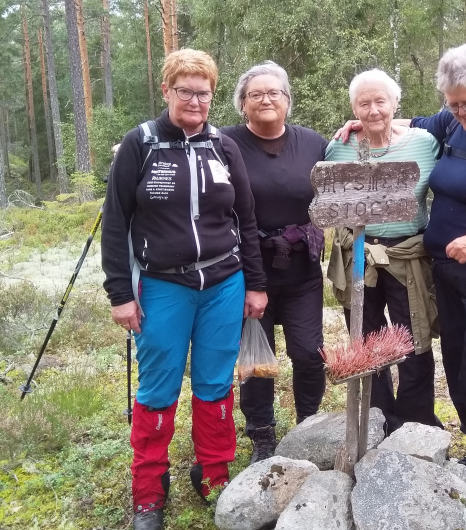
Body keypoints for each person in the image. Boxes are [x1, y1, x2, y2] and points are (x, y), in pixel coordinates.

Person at [336, 44, 466, 508]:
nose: (461, 112)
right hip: (450, 271)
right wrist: (365, 122)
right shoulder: (451, 122)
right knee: (456, 357)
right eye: (453, 104)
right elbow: (401, 124)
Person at [101, 49, 267, 530]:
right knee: (158, 387)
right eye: (185, 91)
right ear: (167, 91)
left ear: (213, 96)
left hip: (223, 282)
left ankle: (212, 472)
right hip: (161, 284)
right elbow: (116, 224)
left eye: (203, 92)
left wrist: (255, 284)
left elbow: (247, 220)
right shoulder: (141, 144)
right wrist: (119, 294)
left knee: (215, 382)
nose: (195, 100)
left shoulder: (223, 146)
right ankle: (149, 492)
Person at [220, 61, 328, 463]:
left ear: (287, 101)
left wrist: (357, 127)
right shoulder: (224, 143)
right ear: (243, 105)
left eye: (274, 93)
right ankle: (261, 433)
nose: (266, 99)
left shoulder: (314, 142)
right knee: (256, 356)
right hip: (248, 269)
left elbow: (347, 161)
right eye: (255, 94)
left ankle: (308, 423)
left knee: (308, 351)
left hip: (301, 268)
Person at [325, 69, 443, 435]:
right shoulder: (340, 146)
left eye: (381, 101)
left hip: (408, 255)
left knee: (414, 338)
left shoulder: (425, 142)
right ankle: (378, 418)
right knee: (365, 338)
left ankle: (415, 420)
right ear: (353, 108)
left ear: (395, 103)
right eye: (364, 103)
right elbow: (329, 198)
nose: (373, 110)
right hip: (359, 254)